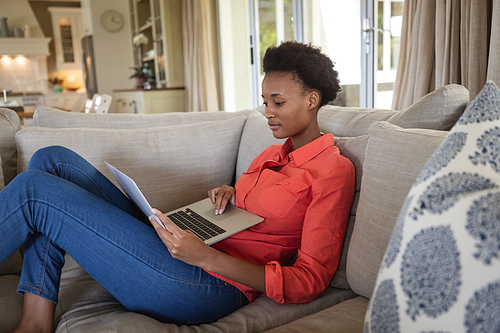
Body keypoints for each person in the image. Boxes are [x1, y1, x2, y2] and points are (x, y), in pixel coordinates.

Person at [0, 41, 354, 332]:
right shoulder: (271, 154)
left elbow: (309, 281)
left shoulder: (332, 171)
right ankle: (36, 319)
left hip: (209, 286)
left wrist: (206, 257)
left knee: (34, 189)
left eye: (278, 102)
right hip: (190, 249)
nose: (267, 113)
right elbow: (262, 210)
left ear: (311, 100)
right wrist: (230, 192)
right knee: (52, 160)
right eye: (265, 102)